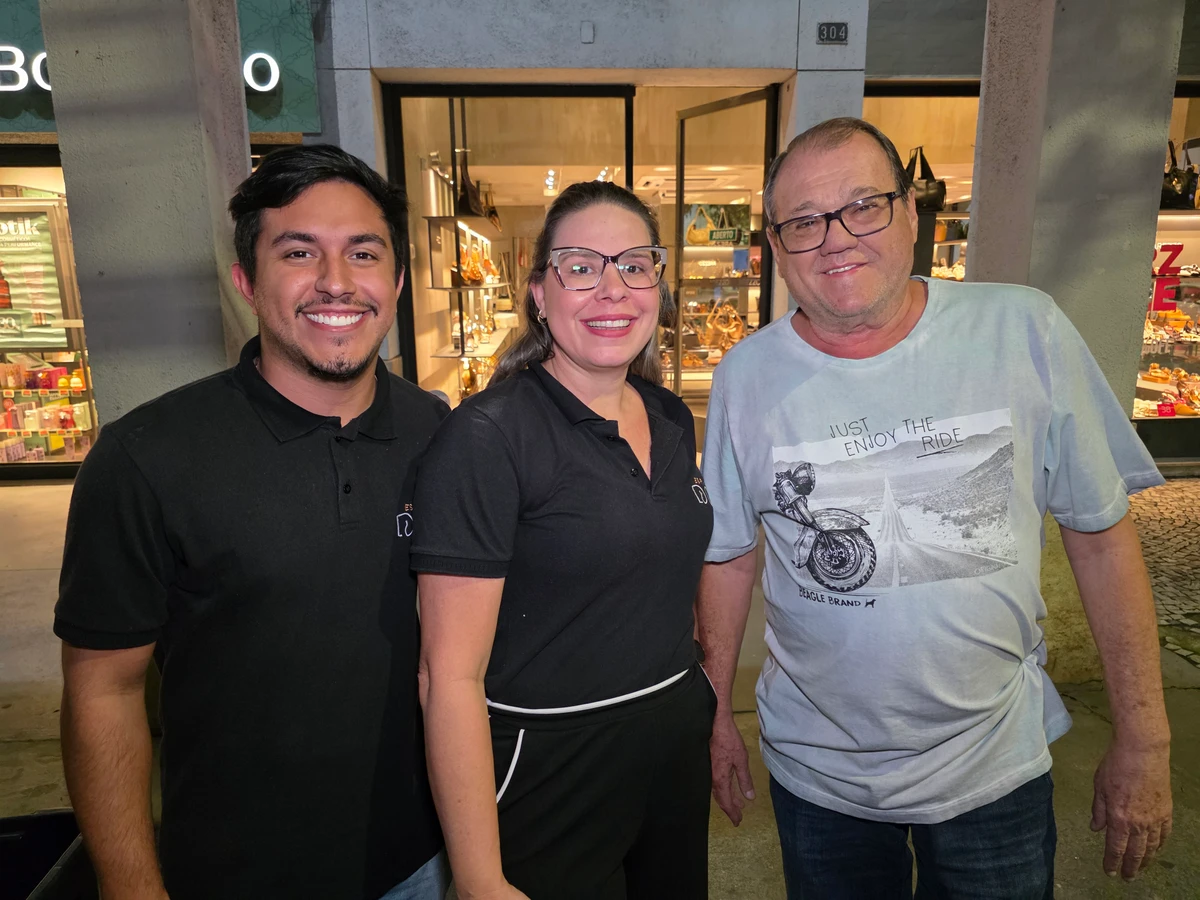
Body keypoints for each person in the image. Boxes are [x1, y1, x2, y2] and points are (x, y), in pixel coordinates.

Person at [699, 117, 1173, 897]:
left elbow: (1100, 533)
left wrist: (1146, 737)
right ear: (778, 247)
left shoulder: (1023, 329)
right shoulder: (745, 377)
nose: (836, 238)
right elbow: (729, 555)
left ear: (912, 212)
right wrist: (713, 717)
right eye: (804, 222)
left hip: (995, 769)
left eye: (864, 205)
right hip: (819, 777)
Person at [53, 145, 448, 900]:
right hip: (234, 872)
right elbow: (102, 692)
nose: (336, 282)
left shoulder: (442, 434)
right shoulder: (147, 458)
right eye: (298, 252)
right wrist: (131, 885)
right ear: (246, 280)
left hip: (421, 865)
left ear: (396, 281)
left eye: (362, 253)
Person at [412, 181, 715, 900]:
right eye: (581, 267)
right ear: (540, 294)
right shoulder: (488, 439)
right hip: (550, 764)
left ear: (659, 287)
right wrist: (480, 877)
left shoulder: (671, 416)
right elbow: (446, 678)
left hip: (671, 749)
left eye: (635, 266)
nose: (614, 289)